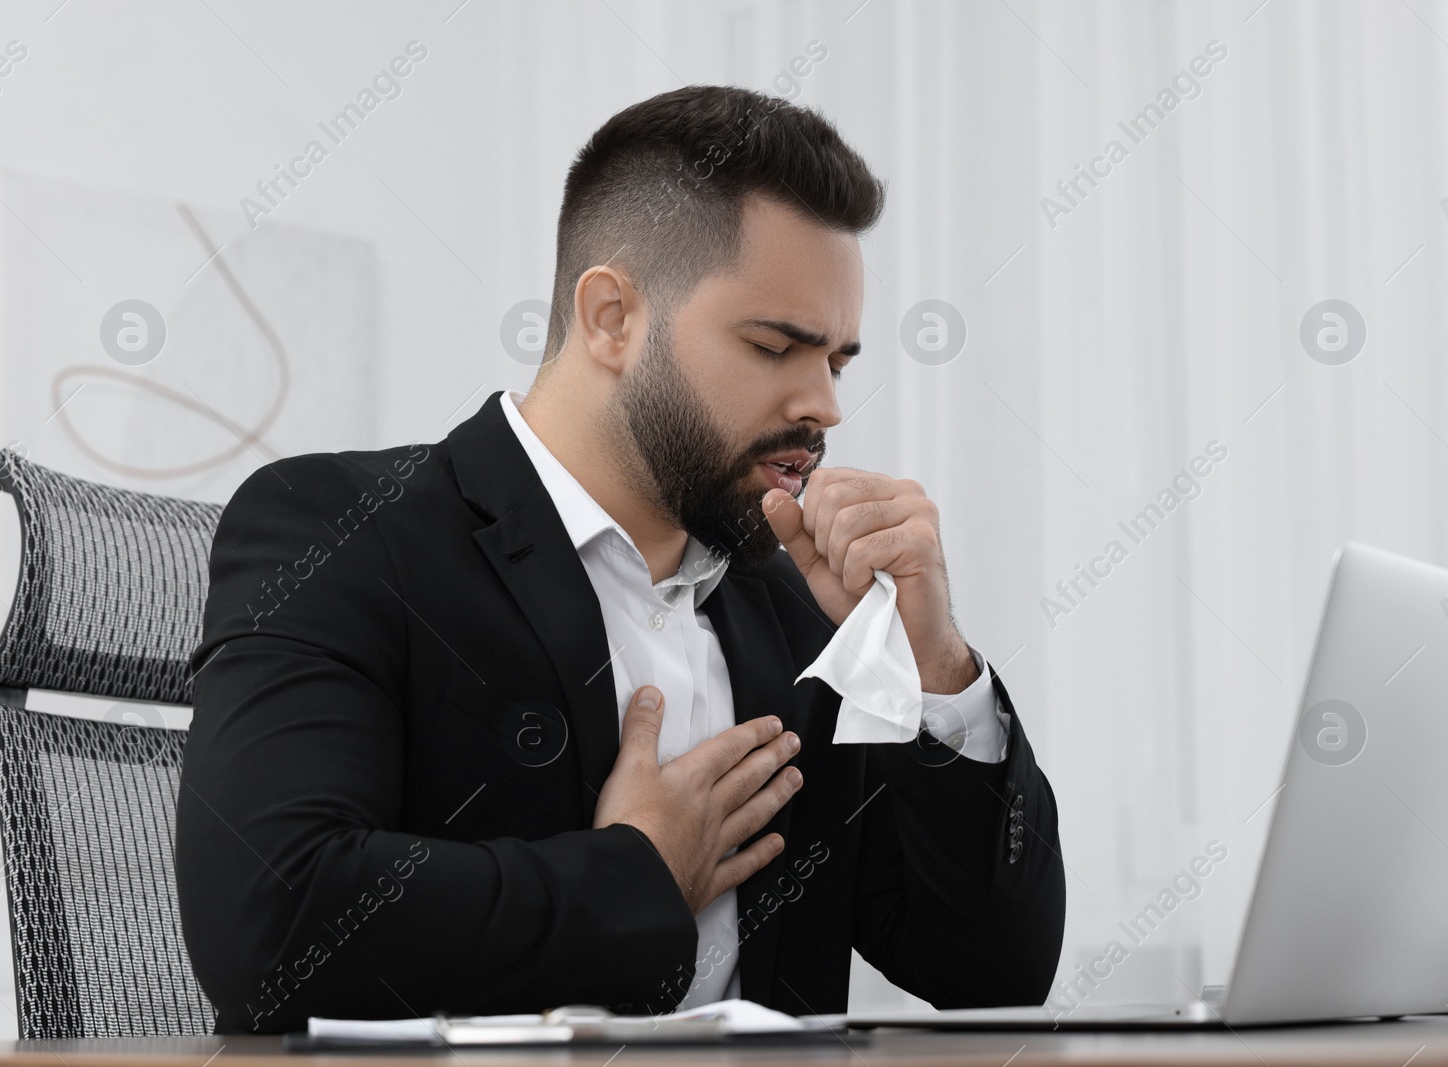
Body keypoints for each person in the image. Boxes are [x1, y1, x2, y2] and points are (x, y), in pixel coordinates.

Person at [175, 83, 1065, 1035]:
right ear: (610, 317)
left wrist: (937, 670)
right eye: (775, 346)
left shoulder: (800, 607)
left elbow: (988, 972)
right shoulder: (345, 531)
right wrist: (637, 873)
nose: (825, 405)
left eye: (838, 362)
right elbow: (270, 922)